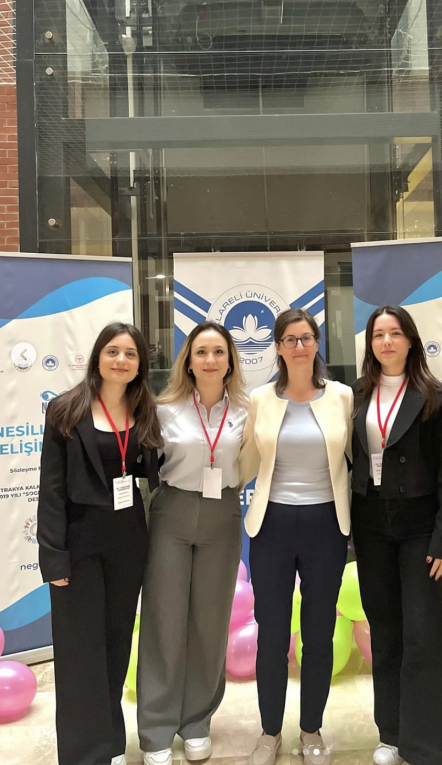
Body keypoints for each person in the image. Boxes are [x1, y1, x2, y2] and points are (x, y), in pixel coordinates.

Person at [37, 322, 162, 765]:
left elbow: (151, 469)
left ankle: (110, 744)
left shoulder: (143, 410)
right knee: (79, 651)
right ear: (97, 357)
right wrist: (54, 558)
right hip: (79, 544)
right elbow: (51, 490)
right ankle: (82, 752)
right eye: (113, 351)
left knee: (115, 644)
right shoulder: (66, 410)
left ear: (139, 365)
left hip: (128, 543)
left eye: (130, 354)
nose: (121, 360)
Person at [240, 308, 353, 765]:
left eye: (306, 337)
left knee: (319, 634)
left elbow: (356, 458)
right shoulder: (260, 399)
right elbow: (245, 459)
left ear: (317, 342)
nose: (299, 346)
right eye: (290, 339)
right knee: (271, 634)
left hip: (326, 524)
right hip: (272, 525)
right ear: (278, 347)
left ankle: (311, 731)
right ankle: (269, 733)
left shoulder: (342, 396)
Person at [351, 306, 442, 765]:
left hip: (420, 526)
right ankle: (391, 734)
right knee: (385, 630)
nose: (387, 342)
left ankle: (427, 746)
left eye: (395, 333)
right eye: (379, 334)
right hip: (371, 523)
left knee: (423, 631)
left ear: (411, 340)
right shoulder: (357, 394)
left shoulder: (435, 396)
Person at [137, 321, 247, 765]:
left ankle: (197, 720)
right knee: (163, 622)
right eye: (201, 352)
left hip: (223, 514)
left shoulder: (246, 410)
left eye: (219, 351)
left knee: (210, 622)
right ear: (188, 360)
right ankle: (157, 729)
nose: (210, 360)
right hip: (173, 513)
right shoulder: (164, 410)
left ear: (230, 360)